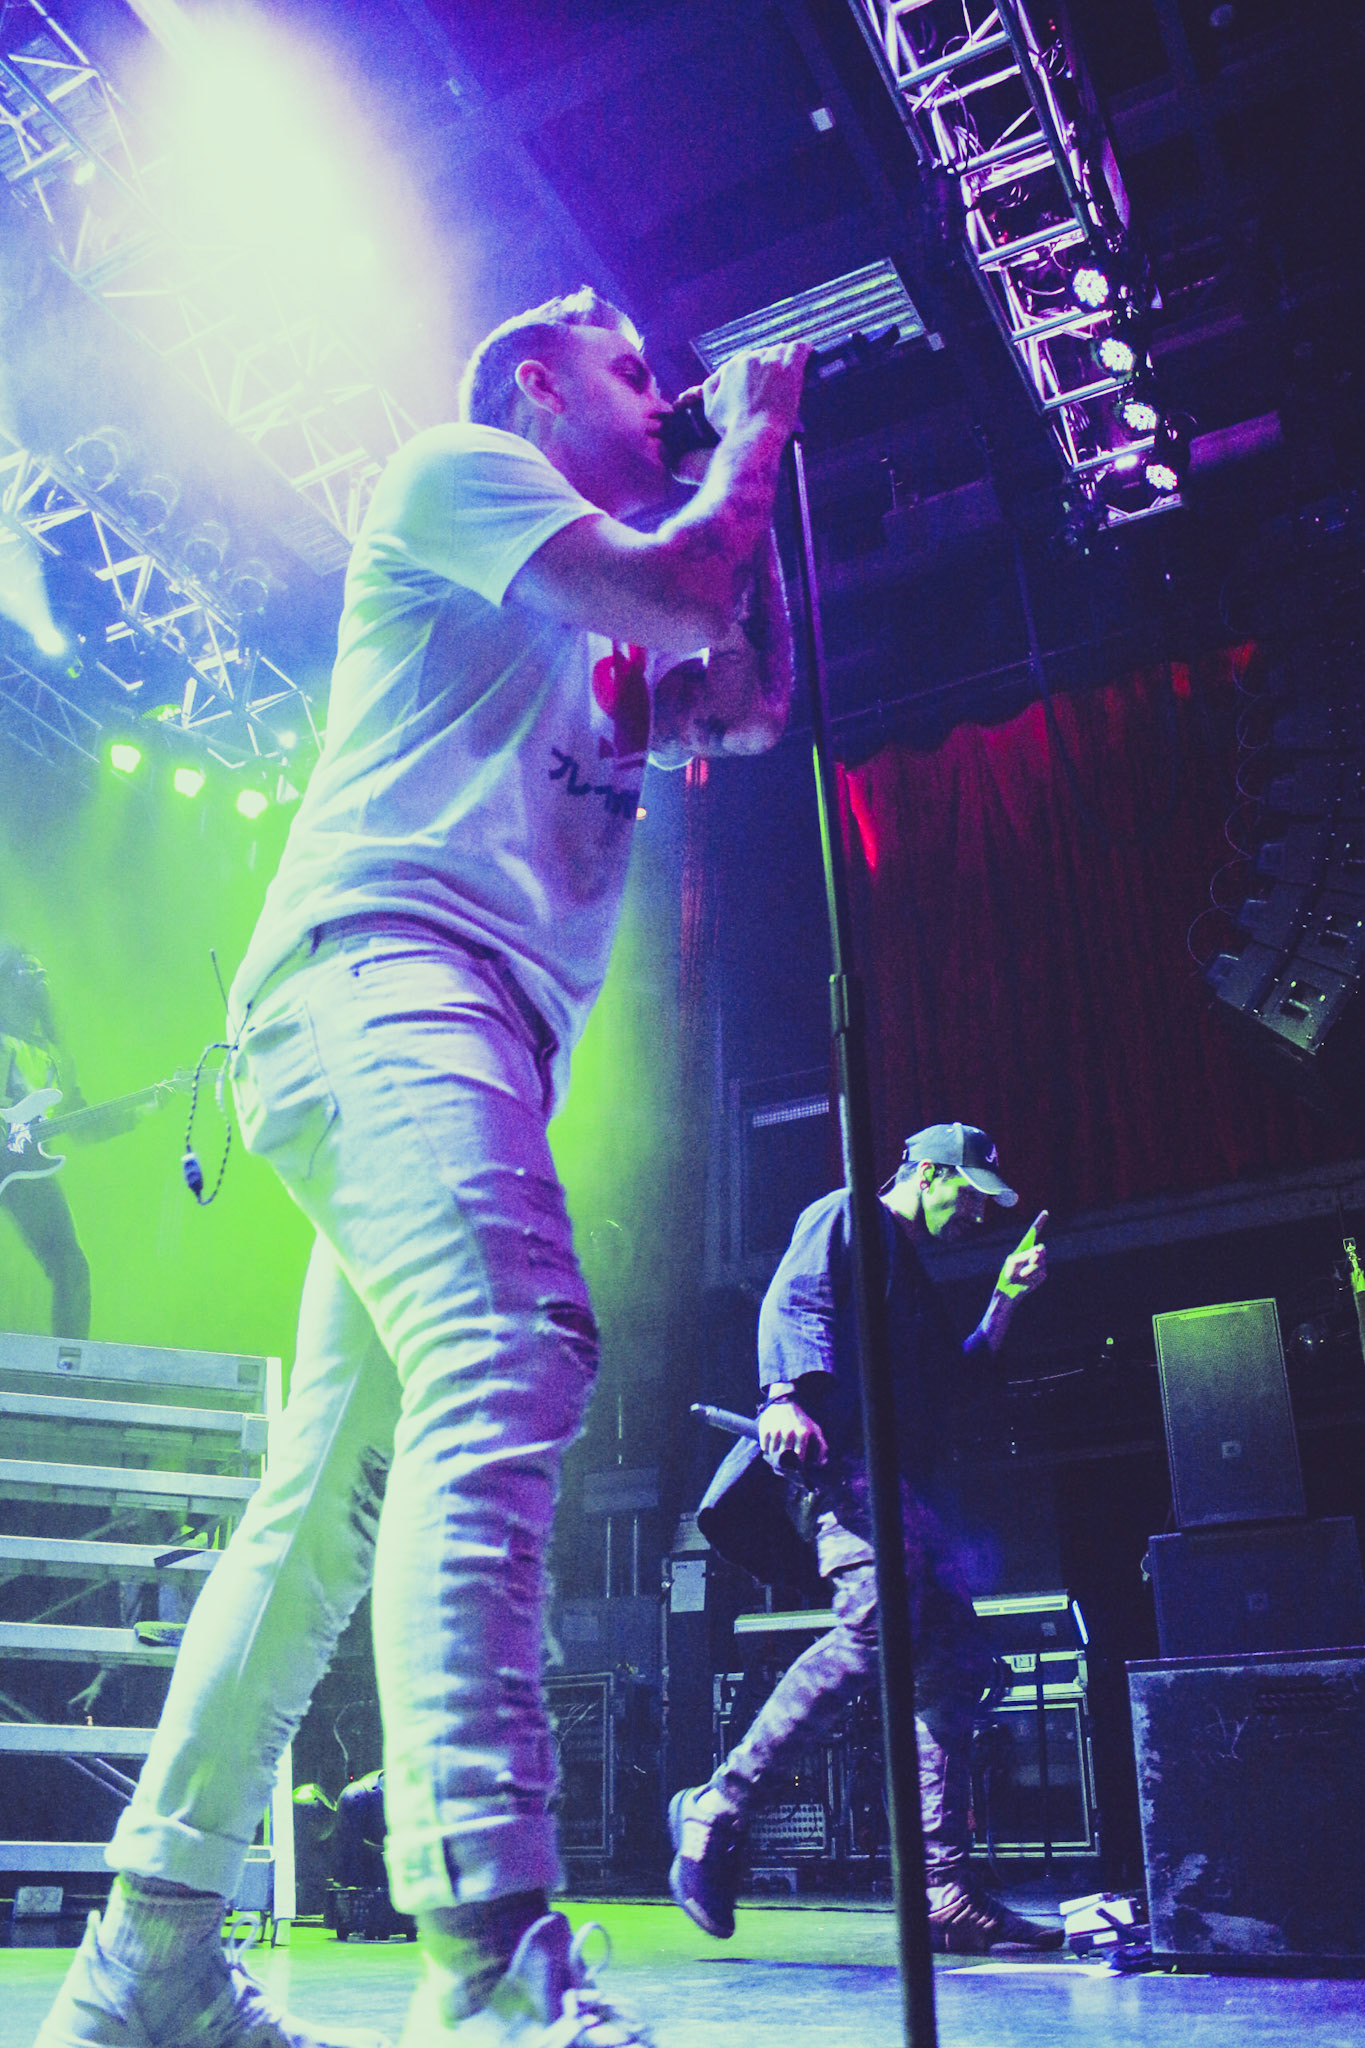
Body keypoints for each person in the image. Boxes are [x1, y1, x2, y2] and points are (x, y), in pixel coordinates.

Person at [35, 291, 809, 2048]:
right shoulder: (458, 471)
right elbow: (689, 586)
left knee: (321, 1509)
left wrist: (754, 486)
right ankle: (485, 1960)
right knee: (509, 1344)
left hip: (456, 1028)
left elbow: (747, 697)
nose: (662, 391)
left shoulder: (604, 629)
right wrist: (755, 434)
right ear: (536, 382)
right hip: (384, 975)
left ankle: (147, 1954)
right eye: (630, 369)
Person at [670, 1121, 1065, 1954]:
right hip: (841, 1469)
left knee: (954, 1664)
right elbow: (794, 1297)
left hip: (901, 1488)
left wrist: (1004, 1298)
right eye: (969, 1194)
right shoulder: (847, 1212)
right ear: (925, 1171)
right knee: (876, 1625)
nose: (977, 1214)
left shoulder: (907, 1273)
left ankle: (943, 1891)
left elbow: (953, 1385)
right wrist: (781, 1395)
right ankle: (718, 1808)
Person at [0, 940, 92, 1339]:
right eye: (27, 969)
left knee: (71, 1267)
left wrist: (149, 1106)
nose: (39, 977)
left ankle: (70, 1364)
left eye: (42, 971)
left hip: (28, 1172)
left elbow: (85, 1126)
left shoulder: (55, 1055)